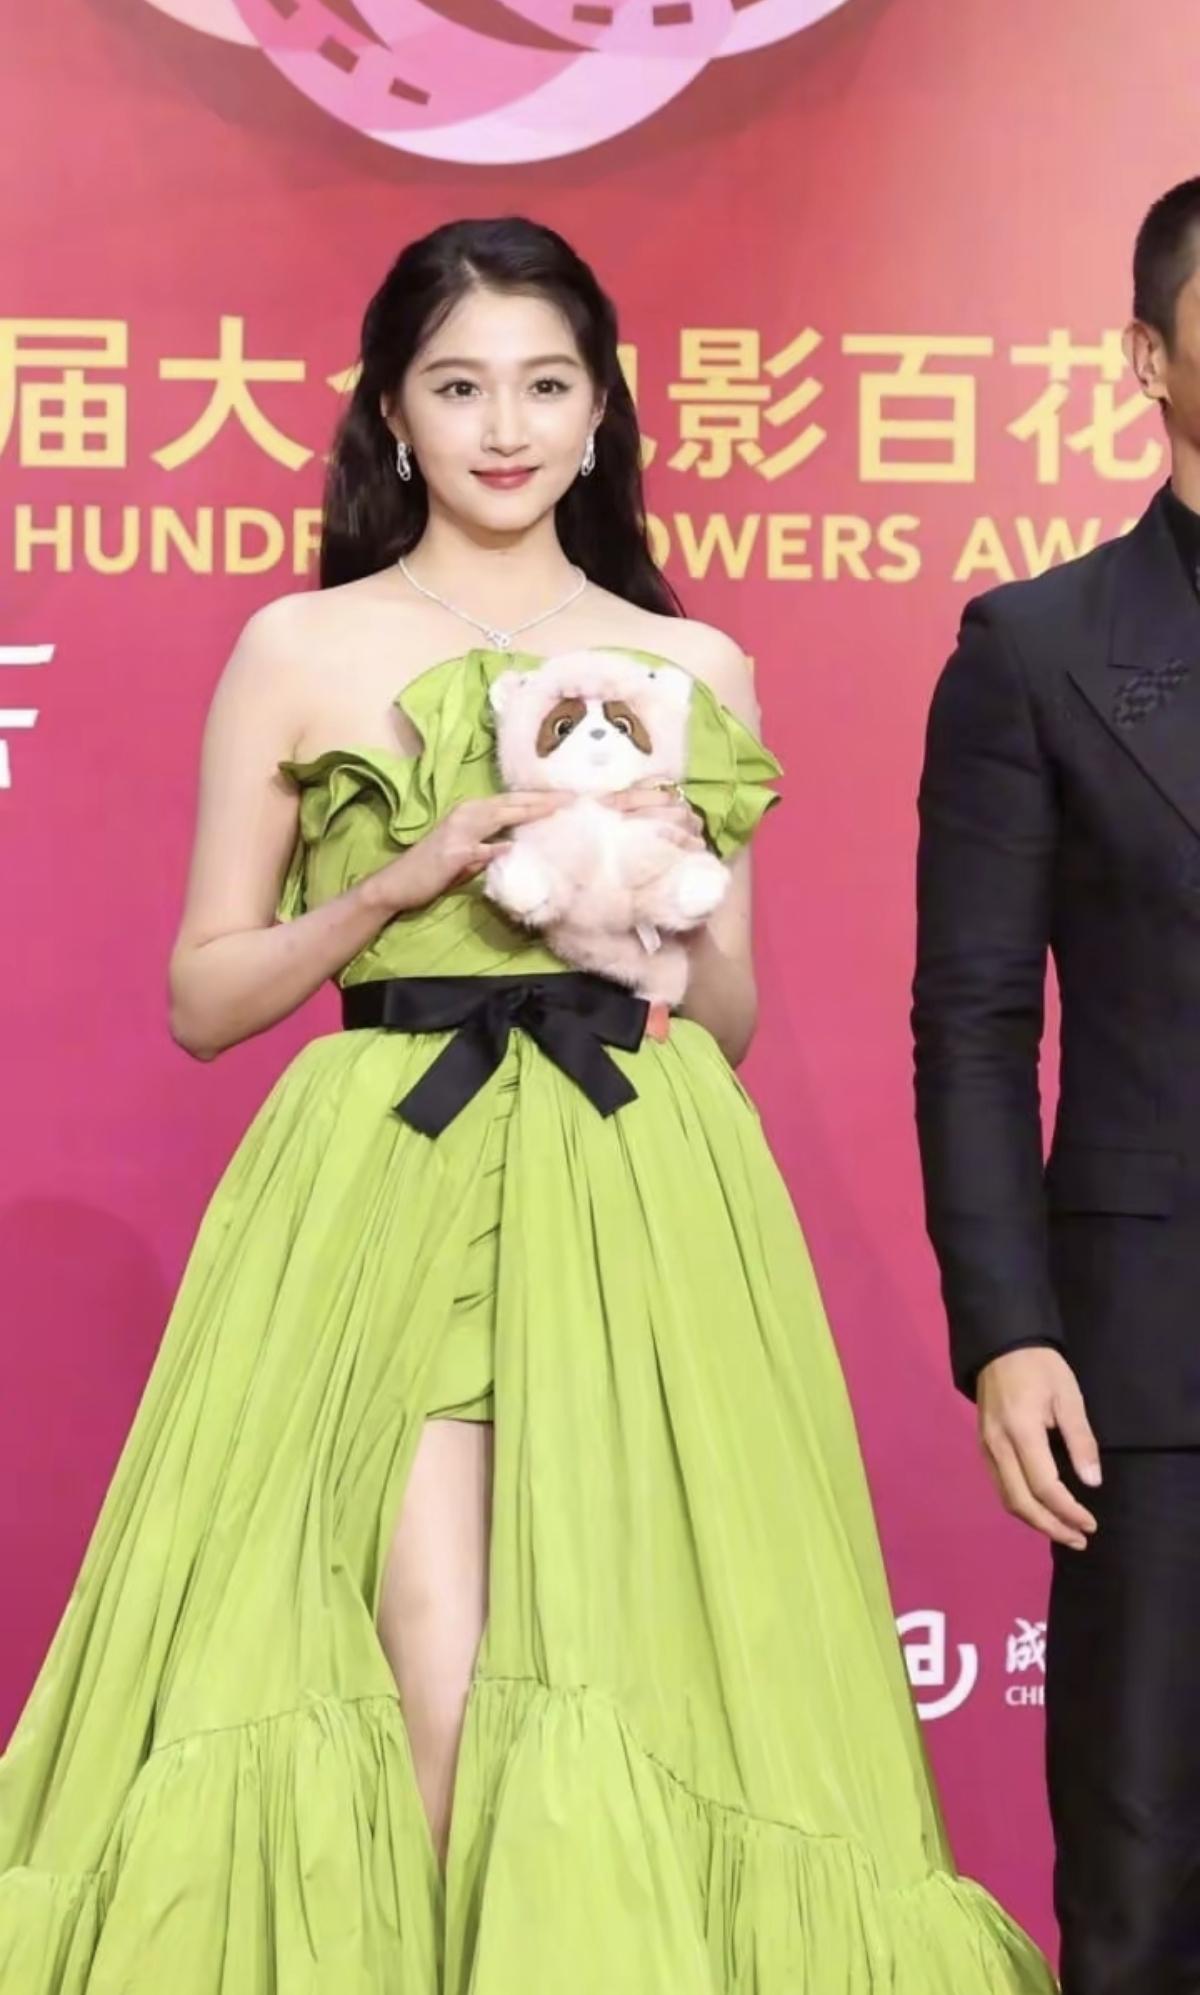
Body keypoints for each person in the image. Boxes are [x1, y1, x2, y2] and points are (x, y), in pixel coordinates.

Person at [0, 215, 1052, 1994]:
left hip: (632, 1189)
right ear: (392, 415)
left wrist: (662, 906)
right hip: (382, 1184)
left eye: (547, 385)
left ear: (602, 410)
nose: (507, 427)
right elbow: (204, 997)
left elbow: (724, 1021)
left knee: (633, 1676)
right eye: (460, 386)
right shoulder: (302, 645)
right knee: (435, 1670)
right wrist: (397, 886)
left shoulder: (692, 667)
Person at [914, 176, 1200, 1995]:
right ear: (1148, 359)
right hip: (1159, 1354)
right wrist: (1009, 1331)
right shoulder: (1038, 650)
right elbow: (971, 1022)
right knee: (1148, 1879)